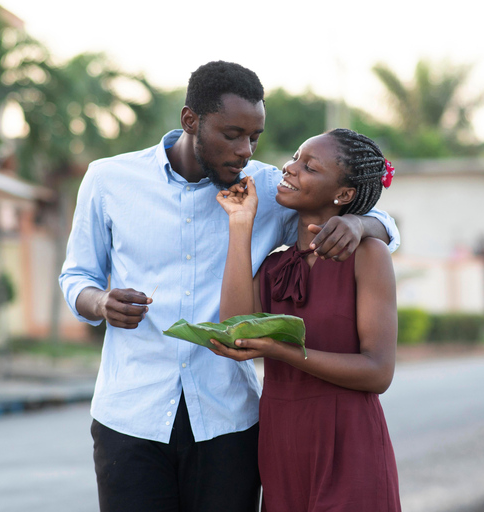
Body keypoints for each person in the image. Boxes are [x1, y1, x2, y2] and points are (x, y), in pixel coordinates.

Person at [59, 61, 400, 512]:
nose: (245, 150)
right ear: (190, 121)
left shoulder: (266, 187)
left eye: (254, 138)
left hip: (228, 420)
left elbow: (369, 214)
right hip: (130, 416)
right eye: (232, 134)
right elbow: (76, 277)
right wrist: (101, 301)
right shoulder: (108, 180)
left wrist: (360, 222)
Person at [210, 128, 401, 511]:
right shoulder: (275, 266)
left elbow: (378, 372)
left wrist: (284, 352)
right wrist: (240, 224)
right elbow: (232, 332)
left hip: (348, 442)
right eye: (295, 157)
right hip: (280, 443)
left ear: (343, 194)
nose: (290, 167)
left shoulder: (368, 255)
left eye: (308, 167)